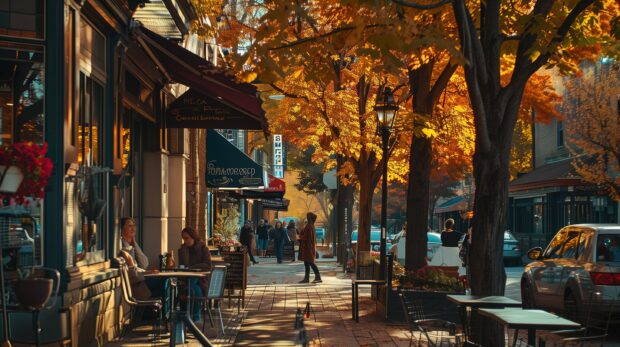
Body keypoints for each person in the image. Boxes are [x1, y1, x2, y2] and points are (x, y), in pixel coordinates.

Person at [178, 227, 212, 322]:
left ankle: (190, 316)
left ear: (193, 237)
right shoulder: (182, 250)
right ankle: (196, 317)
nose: (185, 241)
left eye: (187, 238)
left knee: (192, 287)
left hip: (201, 282)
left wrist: (192, 267)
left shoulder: (203, 248)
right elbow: (182, 266)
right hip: (186, 279)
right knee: (193, 289)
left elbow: (208, 265)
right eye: (183, 238)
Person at [119, 217, 152, 299]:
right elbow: (132, 272)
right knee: (162, 285)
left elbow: (144, 263)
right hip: (133, 286)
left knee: (165, 283)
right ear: (122, 229)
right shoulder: (122, 246)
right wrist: (146, 273)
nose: (133, 228)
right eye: (130, 226)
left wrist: (134, 243)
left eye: (134, 225)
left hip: (139, 281)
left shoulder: (131, 244)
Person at [298, 212, 321, 283]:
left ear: (309, 218)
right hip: (308, 247)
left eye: (307, 217)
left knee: (311, 262)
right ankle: (307, 278)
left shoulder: (309, 226)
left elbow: (306, 237)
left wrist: (299, 237)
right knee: (307, 263)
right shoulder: (311, 226)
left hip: (308, 248)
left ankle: (318, 277)